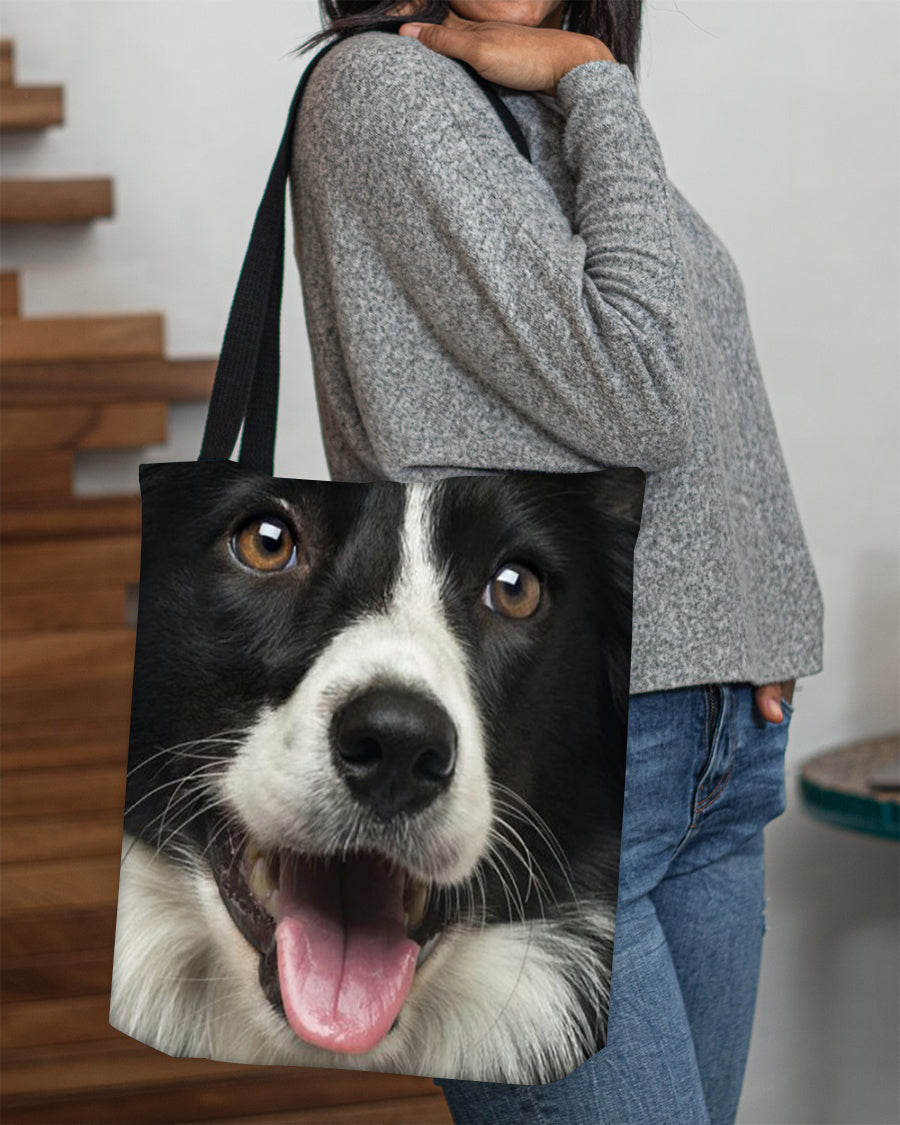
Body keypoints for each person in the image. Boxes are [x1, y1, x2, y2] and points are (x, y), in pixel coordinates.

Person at [289, 2, 824, 1122]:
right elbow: (643, 391)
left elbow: (705, 364)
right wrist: (598, 79)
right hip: (549, 756)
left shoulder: (536, 102)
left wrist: (751, 628)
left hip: (709, 751)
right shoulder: (387, 92)